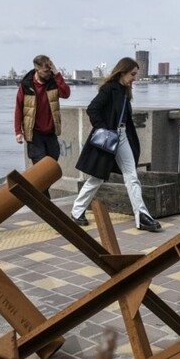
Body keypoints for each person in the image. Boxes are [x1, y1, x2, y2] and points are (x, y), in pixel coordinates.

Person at [70, 57, 161, 232]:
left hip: (122, 136)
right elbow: (92, 109)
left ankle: (142, 216)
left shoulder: (125, 90)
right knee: (97, 177)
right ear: (123, 71)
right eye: (133, 74)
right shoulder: (109, 89)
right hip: (109, 138)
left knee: (132, 176)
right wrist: (104, 129)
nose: (134, 78)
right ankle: (77, 211)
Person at [14, 55, 71, 198]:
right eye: (46, 71)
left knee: (52, 166)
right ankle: (45, 199)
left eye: (50, 70)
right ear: (37, 69)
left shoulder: (53, 82)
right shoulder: (26, 85)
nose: (48, 73)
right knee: (41, 169)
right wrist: (18, 131)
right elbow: (19, 108)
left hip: (51, 132)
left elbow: (66, 94)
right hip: (34, 134)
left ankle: (38, 193)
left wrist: (57, 74)